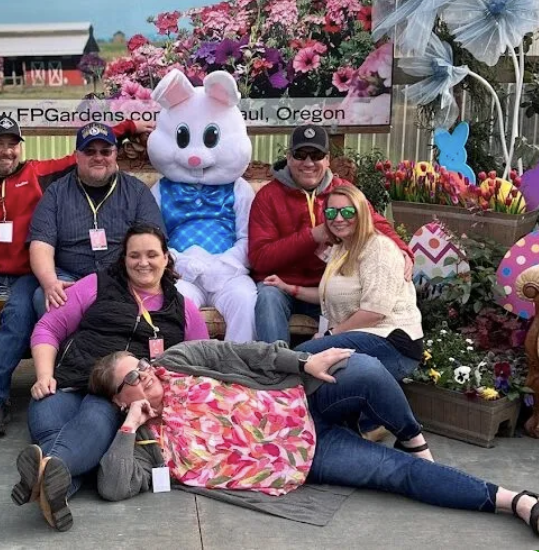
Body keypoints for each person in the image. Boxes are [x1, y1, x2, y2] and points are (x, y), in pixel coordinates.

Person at [75, 342, 539, 538]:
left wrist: (302, 363)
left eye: (141, 364)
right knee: (396, 474)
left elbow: (242, 352)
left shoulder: (176, 361)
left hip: (300, 400)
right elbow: (114, 486)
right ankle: (517, 502)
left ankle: (413, 437)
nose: (146, 373)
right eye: (133, 377)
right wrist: (131, 424)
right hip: (307, 457)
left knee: (365, 368)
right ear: (119, 398)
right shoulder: (144, 442)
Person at [0, 115, 147, 436]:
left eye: (13, 143)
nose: (7, 151)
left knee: (19, 312)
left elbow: (88, 152)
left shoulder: (37, 173)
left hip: (25, 273)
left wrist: (128, 127)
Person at [11, 223, 209, 531]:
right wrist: (44, 375)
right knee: (61, 438)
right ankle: (53, 488)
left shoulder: (183, 310)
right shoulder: (96, 285)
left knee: (91, 423)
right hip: (65, 384)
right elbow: (48, 327)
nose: (143, 263)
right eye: (134, 255)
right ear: (124, 258)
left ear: (166, 258)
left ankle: (42, 477)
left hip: (113, 397)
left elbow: (200, 364)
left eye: (152, 255)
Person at [250, 124, 413, 346]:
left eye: (316, 155)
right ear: (288, 158)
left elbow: (375, 224)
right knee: (267, 295)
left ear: (327, 160)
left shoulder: (343, 191)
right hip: (281, 285)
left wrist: (402, 250)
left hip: (332, 285)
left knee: (353, 296)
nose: (308, 163)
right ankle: (276, 363)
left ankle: (350, 360)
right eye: (300, 155)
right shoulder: (267, 196)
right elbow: (259, 259)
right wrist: (312, 237)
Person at [268, 183, 423, 382]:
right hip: (360, 335)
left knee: (303, 357)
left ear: (362, 214)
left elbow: (374, 312)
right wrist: (288, 288)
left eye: (347, 212)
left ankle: (270, 394)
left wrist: (329, 335)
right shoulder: (341, 248)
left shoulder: (378, 247)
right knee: (306, 364)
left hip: (391, 342)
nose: (339, 218)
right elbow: (330, 295)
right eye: (331, 213)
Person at [29, 122, 164, 317]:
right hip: (70, 277)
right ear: (77, 156)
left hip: (123, 277)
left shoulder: (137, 191)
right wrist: (50, 282)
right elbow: (41, 245)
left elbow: (154, 240)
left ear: (115, 154)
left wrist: (140, 278)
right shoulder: (55, 193)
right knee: (43, 297)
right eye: (90, 151)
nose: (98, 157)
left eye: (105, 151)